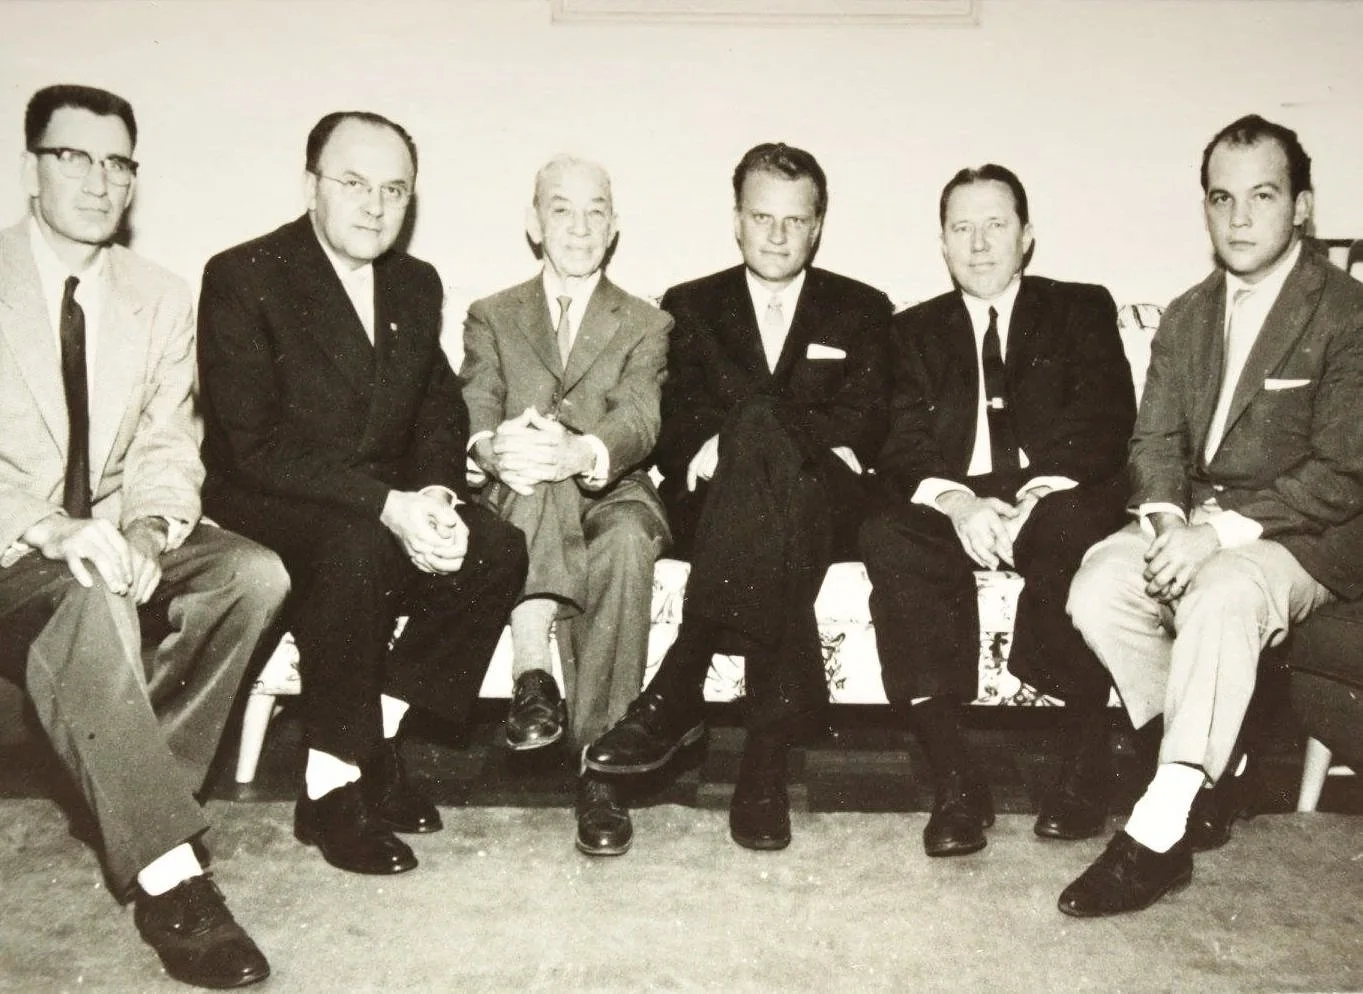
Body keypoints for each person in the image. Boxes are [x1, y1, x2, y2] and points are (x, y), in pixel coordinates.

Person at [0, 84, 288, 989]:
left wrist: (150, 527)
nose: (98, 180)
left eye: (117, 162)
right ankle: (173, 880)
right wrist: (50, 527)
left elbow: (169, 441)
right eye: (73, 157)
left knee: (254, 573)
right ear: (31, 165)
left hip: (115, 524)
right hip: (13, 547)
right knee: (88, 598)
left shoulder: (160, 295)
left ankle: (122, 785)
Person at [196, 111, 527, 878]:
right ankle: (328, 791)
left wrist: (439, 495)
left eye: (394, 189)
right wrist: (389, 508)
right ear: (311, 183)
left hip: (380, 496)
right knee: (356, 544)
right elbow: (252, 445)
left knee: (496, 548)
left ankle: (368, 745)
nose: (375, 205)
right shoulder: (244, 274)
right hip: (266, 493)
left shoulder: (415, 282)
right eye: (353, 183)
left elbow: (437, 407)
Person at [1061, 114, 1363, 916]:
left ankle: (1157, 830)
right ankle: (1206, 772)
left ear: (1299, 206)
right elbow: (1152, 439)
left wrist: (1213, 537)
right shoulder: (1188, 313)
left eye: (1260, 197)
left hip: (1307, 534)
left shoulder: (1345, 312)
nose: (1237, 218)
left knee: (1224, 592)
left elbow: (1341, 472)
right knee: (1098, 584)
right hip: (1195, 521)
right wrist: (1164, 529)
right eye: (1220, 199)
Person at [585, 142, 892, 850]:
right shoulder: (689, 305)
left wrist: (761, 437)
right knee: (758, 455)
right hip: (717, 506)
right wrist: (716, 446)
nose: (778, 235)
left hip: (824, 505)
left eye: (795, 219)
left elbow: (865, 422)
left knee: (759, 421)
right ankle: (761, 765)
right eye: (762, 217)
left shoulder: (862, 307)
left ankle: (680, 681)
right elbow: (674, 417)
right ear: (736, 220)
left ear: (817, 225)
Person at [858, 165, 1136, 858]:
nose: (979, 244)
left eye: (995, 225)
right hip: (961, 493)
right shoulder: (908, 330)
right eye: (961, 228)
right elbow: (899, 441)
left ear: (1026, 236)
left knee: (1072, 526)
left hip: (1057, 491)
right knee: (886, 532)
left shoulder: (1079, 308)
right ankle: (954, 777)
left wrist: (1037, 494)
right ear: (942, 244)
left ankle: (1082, 759)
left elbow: (1104, 422)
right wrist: (956, 503)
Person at [460, 155, 671, 857]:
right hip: (518, 485)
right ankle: (541, 684)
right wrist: (496, 448)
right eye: (561, 209)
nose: (579, 227)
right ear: (533, 222)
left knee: (623, 541)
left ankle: (592, 762)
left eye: (595, 212)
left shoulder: (646, 321)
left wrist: (580, 451)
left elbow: (640, 415)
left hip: (612, 489)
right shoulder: (490, 313)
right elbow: (476, 406)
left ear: (613, 228)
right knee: (531, 467)